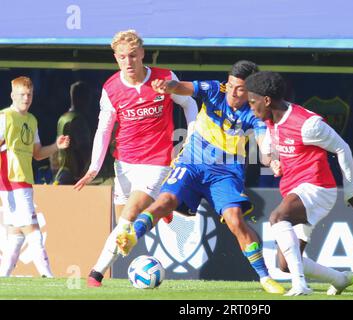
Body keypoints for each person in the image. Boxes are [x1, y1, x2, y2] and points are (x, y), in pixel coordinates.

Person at [116, 60, 286, 294]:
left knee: (235, 219)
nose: (234, 93)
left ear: (252, 91)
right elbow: (184, 87)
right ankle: (132, 236)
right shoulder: (216, 89)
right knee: (165, 202)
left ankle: (265, 277)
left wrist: (272, 159)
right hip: (192, 163)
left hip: (226, 172)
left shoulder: (254, 112)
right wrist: (169, 86)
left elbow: (264, 145)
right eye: (232, 85)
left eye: (241, 89)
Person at [73, 30, 198, 287]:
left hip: (156, 163)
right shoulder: (111, 88)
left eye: (132, 55)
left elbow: (189, 104)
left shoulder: (164, 78)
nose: (128, 62)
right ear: (115, 58)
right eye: (122, 57)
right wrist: (94, 168)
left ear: (142, 54)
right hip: (124, 164)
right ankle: (163, 207)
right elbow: (104, 129)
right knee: (124, 232)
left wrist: (191, 140)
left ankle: (95, 274)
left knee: (127, 219)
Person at [244, 71, 353, 296]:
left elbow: (343, 147)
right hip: (295, 190)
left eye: (253, 102)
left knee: (277, 217)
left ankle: (300, 285)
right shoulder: (271, 120)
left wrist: (351, 192)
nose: (251, 107)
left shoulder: (307, 124)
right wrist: (274, 162)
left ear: (267, 100)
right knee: (284, 263)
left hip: (318, 189)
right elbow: (270, 153)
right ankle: (340, 279)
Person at [0, 76, 70, 277]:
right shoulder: (4, 117)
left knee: (16, 234)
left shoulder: (32, 120)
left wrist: (57, 146)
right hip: (11, 181)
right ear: (12, 95)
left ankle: (3, 278)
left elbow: (37, 153)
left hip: (25, 179)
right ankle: (47, 276)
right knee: (33, 230)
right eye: (22, 94)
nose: (26, 98)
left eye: (29, 94)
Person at [55, 81, 93, 184]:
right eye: (87, 97)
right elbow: (84, 149)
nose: (89, 102)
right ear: (81, 98)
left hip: (61, 171)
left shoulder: (63, 118)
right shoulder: (78, 120)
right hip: (74, 175)